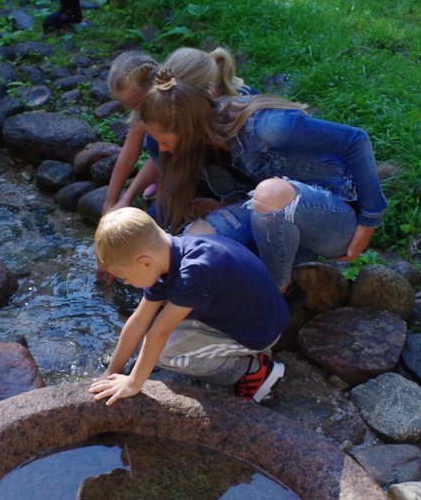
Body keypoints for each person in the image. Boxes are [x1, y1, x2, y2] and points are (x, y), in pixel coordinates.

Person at [135, 77, 384, 290]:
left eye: (164, 141)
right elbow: (170, 199)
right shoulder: (207, 140)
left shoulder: (268, 128)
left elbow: (355, 139)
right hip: (273, 219)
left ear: (187, 128)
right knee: (193, 244)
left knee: (270, 194)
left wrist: (369, 221)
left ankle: (277, 290)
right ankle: (285, 269)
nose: (163, 150)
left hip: (334, 219)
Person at [90, 207, 287, 405]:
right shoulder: (167, 257)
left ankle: (253, 369)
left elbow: (159, 331)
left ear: (144, 263)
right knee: (151, 343)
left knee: (166, 354)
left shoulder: (196, 269)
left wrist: (133, 383)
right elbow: (139, 321)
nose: (126, 283)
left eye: (124, 278)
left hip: (258, 331)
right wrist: (111, 372)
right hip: (238, 313)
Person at [101, 45, 251, 215]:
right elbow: (129, 155)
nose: (135, 110)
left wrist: (220, 206)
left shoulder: (232, 119)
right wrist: (116, 201)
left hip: (235, 182)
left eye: (137, 104)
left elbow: (257, 182)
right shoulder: (153, 106)